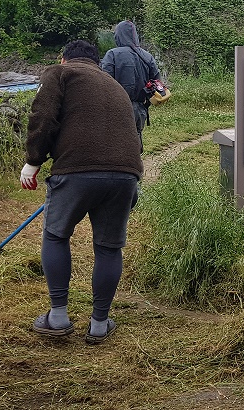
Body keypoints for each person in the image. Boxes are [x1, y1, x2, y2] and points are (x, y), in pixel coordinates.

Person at [22, 40, 143, 344]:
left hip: (76, 170)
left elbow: (43, 116)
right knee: (108, 247)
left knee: (56, 235)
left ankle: (58, 317)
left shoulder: (60, 73)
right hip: (126, 173)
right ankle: (99, 324)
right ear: (97, 62)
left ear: (64, 59)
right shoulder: (114, 84)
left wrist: (33, 161)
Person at [101, 20, 161, 150]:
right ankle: (136, 168)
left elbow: (103, 83)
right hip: (140, 108)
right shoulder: (147, 56)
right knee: (135, 143)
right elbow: (157, 82)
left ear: (118, 36)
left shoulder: (112, 55)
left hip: (117, 108)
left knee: (115, 145)